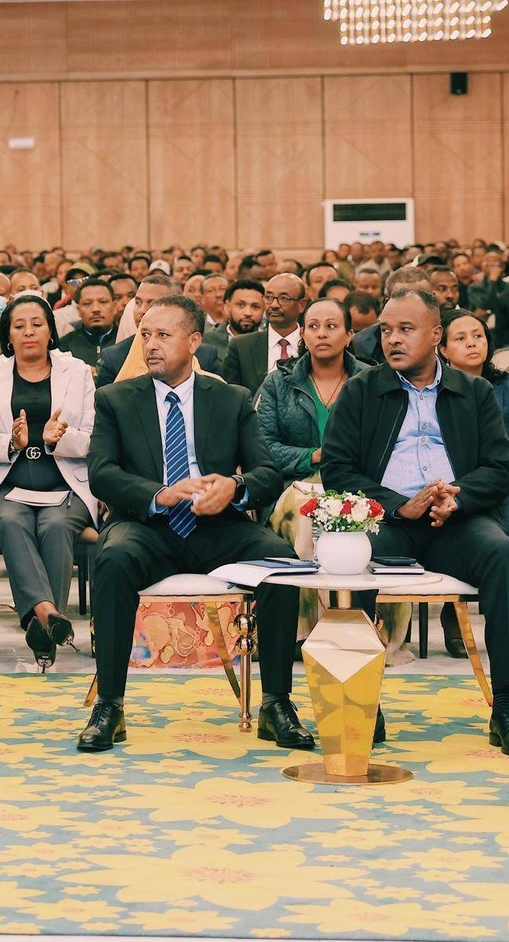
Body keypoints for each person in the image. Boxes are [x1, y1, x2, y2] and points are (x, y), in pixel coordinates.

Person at [78, 296, 307, 753]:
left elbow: (267, 473)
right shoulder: (116, 399)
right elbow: (101, 473)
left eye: (163, 335)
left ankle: (277, 704)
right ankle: (109, 706)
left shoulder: (231, 399)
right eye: (145, 335)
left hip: (217, 528)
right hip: (146, 527)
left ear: (194, 341)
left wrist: (234, 487)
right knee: (113, 557)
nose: (150, 345)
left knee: (281, 562)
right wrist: (158, 494)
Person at [320, 289, 509, 756]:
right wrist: (399, 505)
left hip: (452, 520)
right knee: (350, 561)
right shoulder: (361, 390)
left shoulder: (474, 392)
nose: (392, 340)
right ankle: (362, 701)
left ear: (436, 334)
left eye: (406, 329)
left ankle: (507, 707)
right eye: (385, 330)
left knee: (504, 554)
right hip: (386, 521)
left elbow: (498, 468)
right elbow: (337, 470)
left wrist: (458, 498)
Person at [0, 293, 96, 668]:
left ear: (51, 331)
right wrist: (10, 442)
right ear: (7, 335)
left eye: (37, 324)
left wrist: (59, 439)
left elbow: (93, 439)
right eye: (19, 326)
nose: (28, 332)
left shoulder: (77, 372)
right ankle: (48, 614)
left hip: (65, 482)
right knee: (11, 521)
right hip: (5, 483)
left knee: (56, 526)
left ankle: (42, 628)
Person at [438, 307, 509, 658]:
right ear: (443, 348)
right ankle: (455, 609)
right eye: (461, 338)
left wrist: (499, 478)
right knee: (460, 532)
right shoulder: (436, 389)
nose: (472, 343)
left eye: (478, 336)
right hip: (458, 487)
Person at [254, 298, 365, 555]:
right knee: (309, 517)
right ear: (302, 334)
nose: (321, 333)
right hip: (294, 487)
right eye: (313, 326)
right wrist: (313, 455)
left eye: (331, 326)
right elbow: (263, 448)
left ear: (349, 334)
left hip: (356, 484)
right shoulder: (278, 383)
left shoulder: (369, 380)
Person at [227, 272, 307, 393]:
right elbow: (232, 395)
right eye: (269, 297)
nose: (274, 305)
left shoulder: (312, 345)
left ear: (301, 305)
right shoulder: (241, 346)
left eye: (284, 298)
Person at [55, 275, 120, 370]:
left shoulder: (128, 342)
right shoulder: (64, 347)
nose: (96, 309)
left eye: (103, 302)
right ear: (78, 310)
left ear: (114, 307)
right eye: (87, 303)